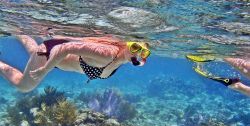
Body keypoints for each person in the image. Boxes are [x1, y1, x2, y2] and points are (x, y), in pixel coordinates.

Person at [0, 35, 151, 92]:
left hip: (49, 55)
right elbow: (66, 48)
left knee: (35, 51)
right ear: (126, 44)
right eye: (134, 47)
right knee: (24, 86)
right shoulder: (108, 53)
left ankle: (20, 33)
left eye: (142, 52)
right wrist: (45, 69)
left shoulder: (122, 58)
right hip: (51, 53)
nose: (136, 53)